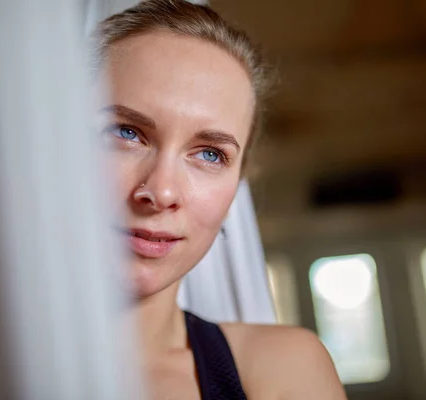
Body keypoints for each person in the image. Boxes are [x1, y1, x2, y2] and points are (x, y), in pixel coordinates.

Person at [92, 1, 347, 398]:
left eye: (210, 154)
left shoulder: (284, 371)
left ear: (235, 191)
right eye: (126, 132)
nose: (161, 192)